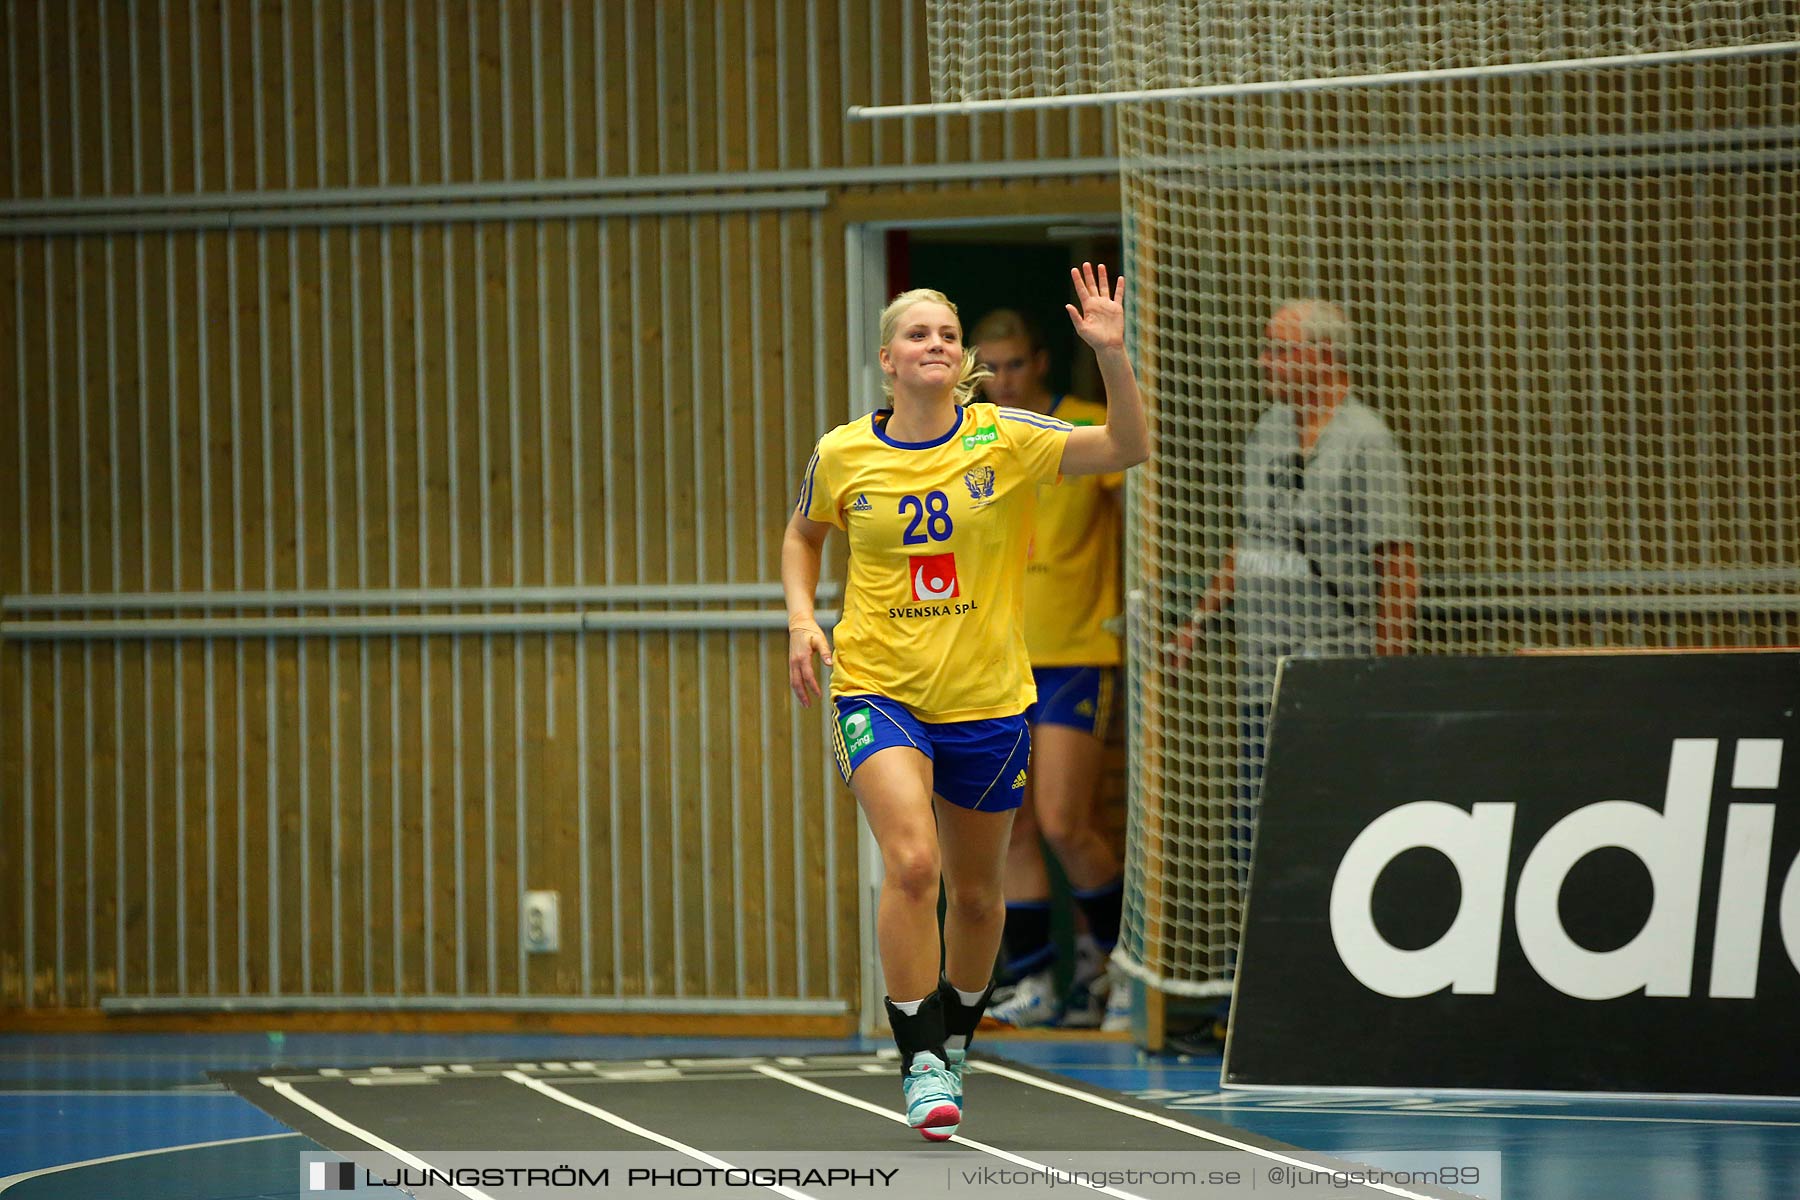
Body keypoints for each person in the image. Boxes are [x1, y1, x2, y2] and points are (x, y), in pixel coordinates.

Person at [783, 266, 1147, 1140]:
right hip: (878, 685)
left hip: (985, 697)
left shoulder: (1003, 437)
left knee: (978, 898)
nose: (936, 345)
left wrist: (1114, 358)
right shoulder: (842, 452)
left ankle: (956, 1032)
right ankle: (918, 1063)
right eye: (919, 335)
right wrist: (802, 620)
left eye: (948, 335)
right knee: (914, 864)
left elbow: (1124, 448)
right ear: (888, 360)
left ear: (964, 361)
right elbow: (803, 533)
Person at [1174, 299, 1418, 1034]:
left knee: (1327, 832)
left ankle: (1336, 991)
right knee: (1252, 837)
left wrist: (1384, 671)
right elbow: (1249, 540)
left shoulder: (1365, 442)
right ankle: (1264, 997)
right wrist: (1201, 618)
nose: (1264, 364)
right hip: (1262, 677)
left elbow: (1395, 560)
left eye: (1279, 352)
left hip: (1332, 679)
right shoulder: (1267, 432)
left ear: (1322, 356)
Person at [968, 309, 1133, 1032]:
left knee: (1068, 819)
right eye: (990, 368)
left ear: (1038, 363)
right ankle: (1033, 978)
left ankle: (1117, 965)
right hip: (995, 660)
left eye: (1012, 365)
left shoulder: (1086, 426)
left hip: (1075, 654)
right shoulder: (975, 438)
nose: (1000, 381)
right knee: (1015, 824)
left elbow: (1137, 520)